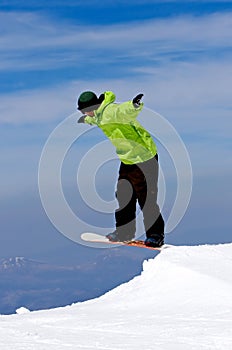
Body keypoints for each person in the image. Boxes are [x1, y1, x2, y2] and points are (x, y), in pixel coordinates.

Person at [77, 91, 164, 248]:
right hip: (128, 159)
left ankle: (155, 235)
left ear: (94, 106)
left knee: (146, 198)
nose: (86, 113)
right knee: (124, 196)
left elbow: (123, 111)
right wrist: (86, 120)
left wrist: (134, 105)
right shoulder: (97, 116)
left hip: (144, 157)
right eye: (83, 112)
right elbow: (95, 120)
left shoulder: (110, 111)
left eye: (85, 110)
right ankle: (125, 232)